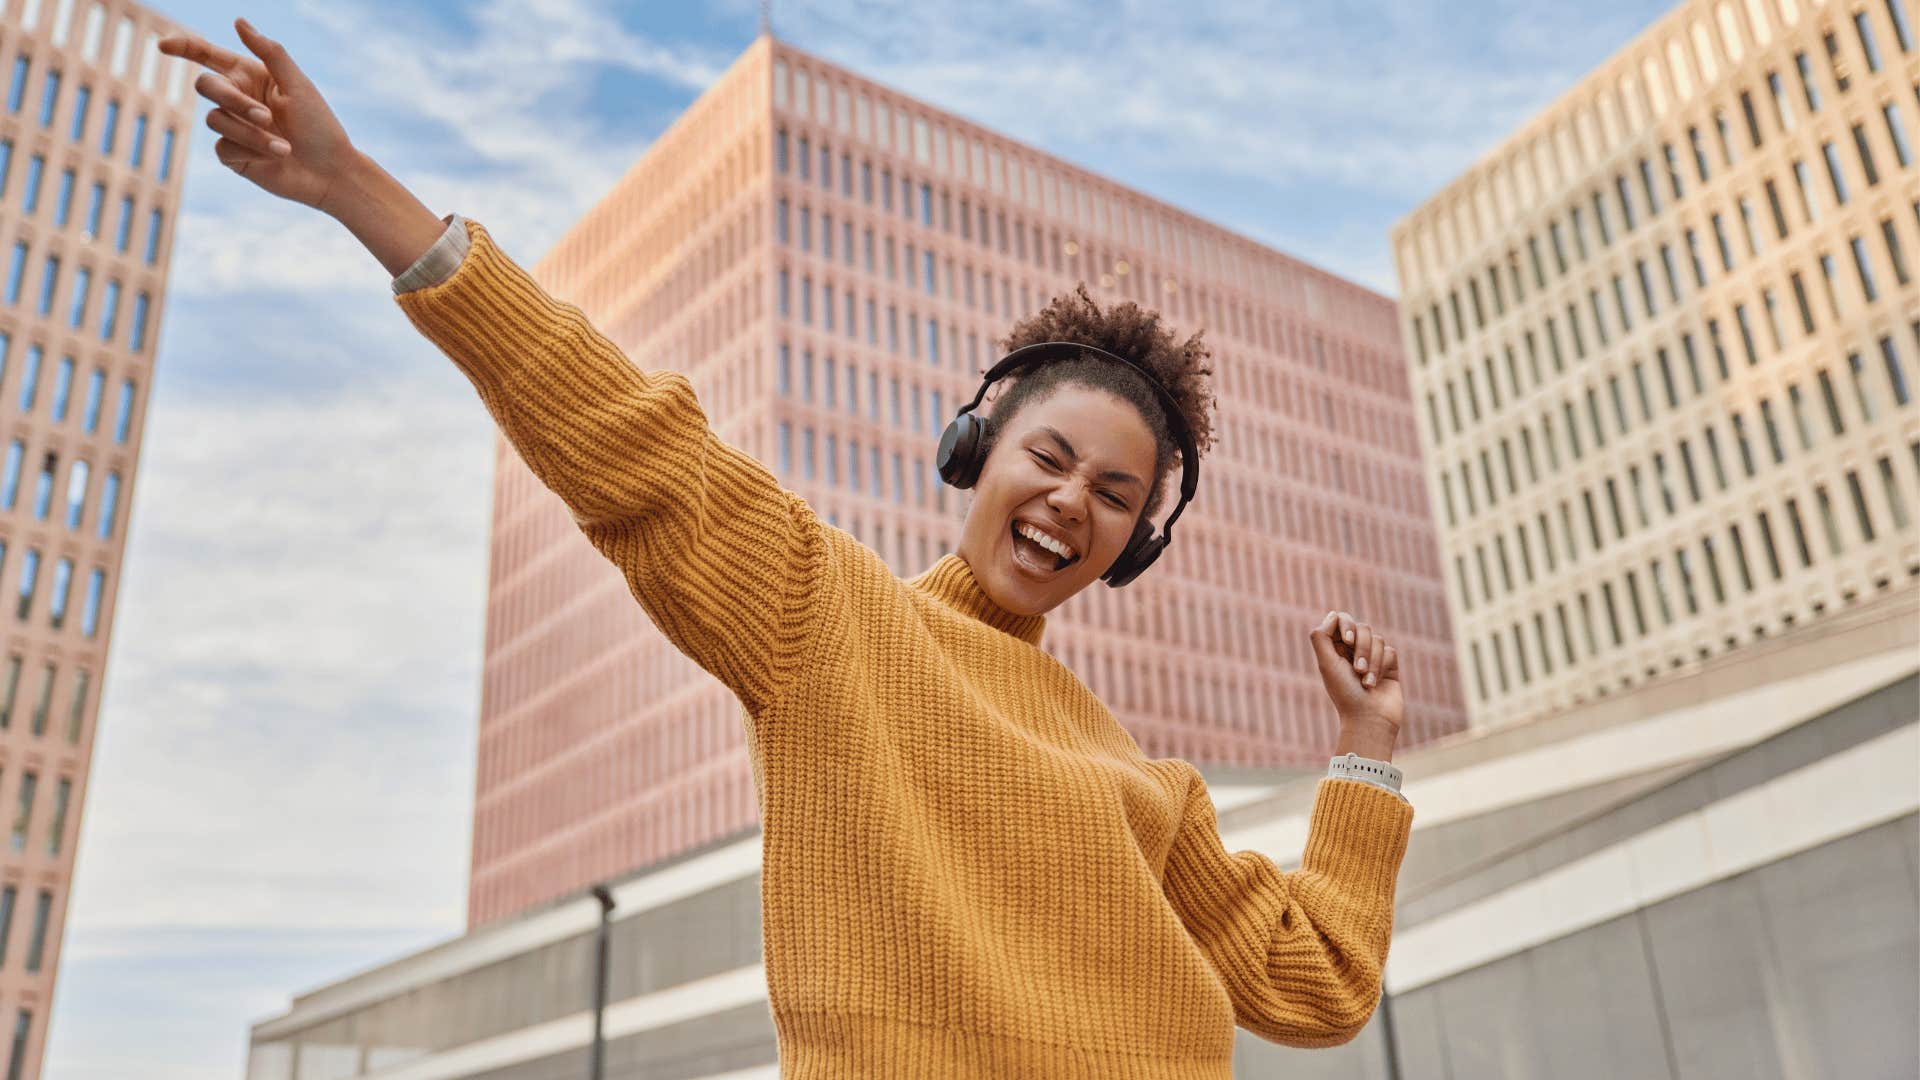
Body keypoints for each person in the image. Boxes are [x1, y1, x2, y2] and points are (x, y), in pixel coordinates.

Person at [161, 18, 1415, 1077]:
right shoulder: (831, 616)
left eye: (1114, 494)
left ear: (1130, 548)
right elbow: (630, 445)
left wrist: (1365, 748)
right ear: (974, 447)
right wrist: (355, 191)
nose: (1072, 502)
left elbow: (1316, 986)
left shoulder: (1151, 786)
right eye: (1050, 458)